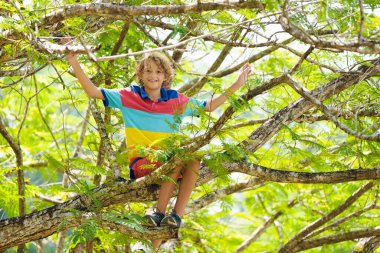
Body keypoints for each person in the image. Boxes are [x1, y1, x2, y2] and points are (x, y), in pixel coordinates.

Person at [62, 39, 252, 250]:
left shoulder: (176, 100)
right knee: (178, 157)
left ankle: (174, 218)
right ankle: (158, 213)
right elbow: (93, 92)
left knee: (193, 159)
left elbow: (208, 107)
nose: (153, 76)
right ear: (141, 75)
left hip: (172, 164)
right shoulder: (128, 96)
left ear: (166, 76)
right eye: (148, 71)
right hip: (143, 165)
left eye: (158, 72)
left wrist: (237, 84)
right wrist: (73, 59)